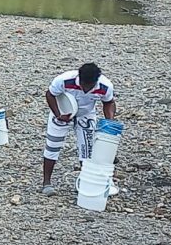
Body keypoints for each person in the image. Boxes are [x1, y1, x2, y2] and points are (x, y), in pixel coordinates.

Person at [41, 62, 117, 196]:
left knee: (87, 150)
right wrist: (58, 114)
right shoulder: (64, 80)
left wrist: (109, 121)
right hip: (62, 111)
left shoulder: (105, 86)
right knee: (52, 146)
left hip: (86, 114)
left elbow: (108, 103)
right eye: (84, 85)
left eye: (90, 86)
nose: (86, 88)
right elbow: (50, 94)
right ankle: (46, 182)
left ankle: (85, 182)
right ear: (79, 78)